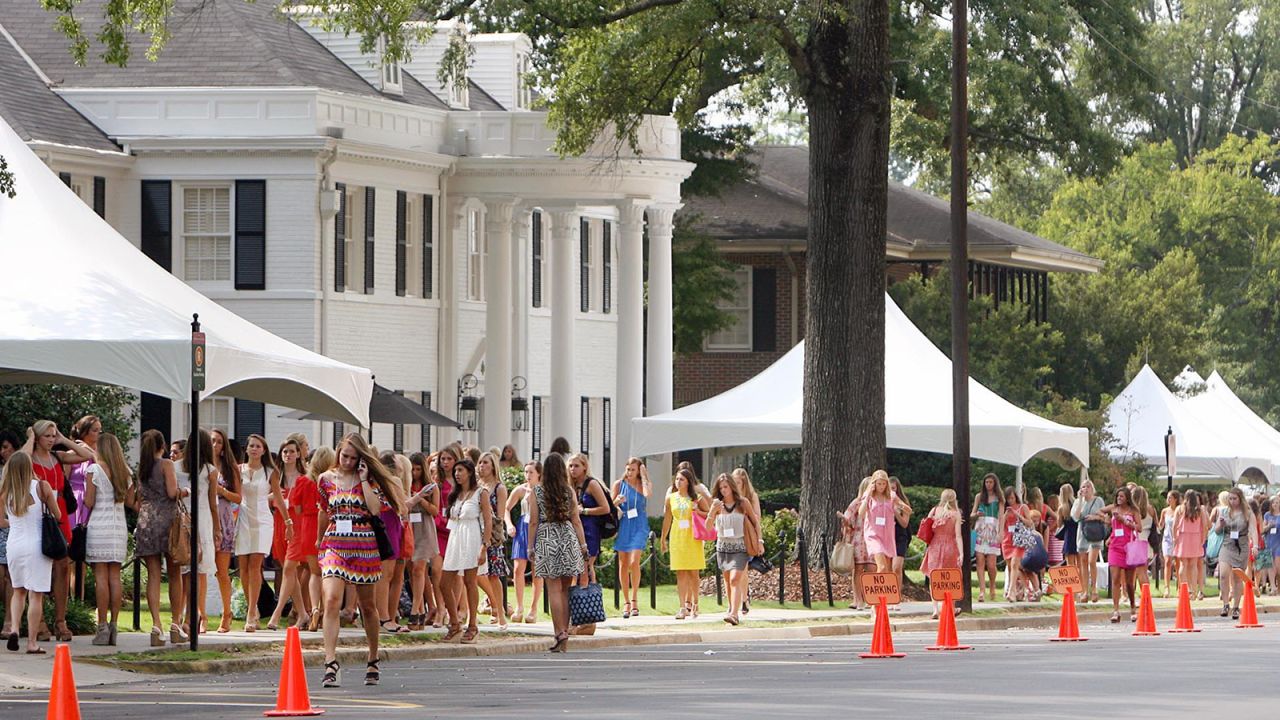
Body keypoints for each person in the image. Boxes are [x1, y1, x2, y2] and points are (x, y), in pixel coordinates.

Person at [317, 433, 402, 687]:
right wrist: (317, 541)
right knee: (331, 600)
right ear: (338, 452)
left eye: (354, 458)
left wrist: (364, 479)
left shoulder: (370, 480)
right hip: (335, 543)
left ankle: (373, 658)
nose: (348, 461)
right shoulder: (325, 480)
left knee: (367, 607)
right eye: (344, 456)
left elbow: (376, 509)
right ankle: (330, 662)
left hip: (364, 544)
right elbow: (323, 511)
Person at [22, 421, 93, 641]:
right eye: (48, 436)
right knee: (39, 566)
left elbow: (85, 455)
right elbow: (21, 459)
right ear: (38, 437)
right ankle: (39, 621)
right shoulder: (29, 458)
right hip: (36, 513)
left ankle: (60, 621)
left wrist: (64, 439)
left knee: (62, 566)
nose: (51, 439)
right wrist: (31, 439)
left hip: (59, 513)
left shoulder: (58, 457)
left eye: (54, 435)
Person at [528, 455, 588, 652]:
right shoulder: (568, 491)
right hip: (568, 535)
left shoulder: (537, 492)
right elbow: (576, 520)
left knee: (553, 589)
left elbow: (534, 521)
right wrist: (583, 545)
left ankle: (559, 632)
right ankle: (565, 634)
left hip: (547, 536)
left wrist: (530, 546)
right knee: (566, 588)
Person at [1, 452, 58, 654]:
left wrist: (16, 523)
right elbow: (57, 514)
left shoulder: (5, 492)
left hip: (14, 544)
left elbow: (1, 522)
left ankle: (14, 628)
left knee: (18, 591)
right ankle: (32, 642)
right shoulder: (41, 487)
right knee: (36, 595)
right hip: (37, 545)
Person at [133, 429, 185, 646]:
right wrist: (186, 491)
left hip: (146, 521)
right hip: (167, 522)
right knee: (175, 574)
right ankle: (175, 623)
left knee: (153, 574)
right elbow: (173, 492)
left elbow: (135, 497)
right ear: (162, 446)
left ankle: (156, 625)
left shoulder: (141, 468)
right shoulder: (166, 464)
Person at [267, 439, 322, 631]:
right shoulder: (276, 475)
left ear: (298, 454)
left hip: (298, 524)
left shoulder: (305, 476)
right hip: (279, 521)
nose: (287, 455)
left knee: (290, 567)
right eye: (284, 451)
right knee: (287, 570)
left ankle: (277, 612)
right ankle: (303, 613)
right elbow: (264, 497)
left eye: (291, 451)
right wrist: (274, 497)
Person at [84, 433, 131, 645]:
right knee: (115, 576)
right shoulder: (126, 473)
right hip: (118, 526)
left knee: (100, 577)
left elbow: (89, 501)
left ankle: (101, 625)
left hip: (99, 525)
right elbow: (129, 501)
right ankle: (114, 625)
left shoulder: (94, 470)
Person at [237, 434, 286, 632]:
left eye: (258, 446)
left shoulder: (270, 472)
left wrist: (288, 520)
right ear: (247, 449)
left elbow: (279, 498)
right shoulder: (238, 469)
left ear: (264, 450)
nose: (255, 449)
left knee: (255, 565)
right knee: (243, 566)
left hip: (263, 519)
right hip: (243, 517)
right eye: (252, 446)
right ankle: (254, 608)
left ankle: (250, 613)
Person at [175, 429, 220, 636]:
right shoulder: (210, 470)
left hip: (181, 518)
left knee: (182, 571)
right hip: (201, 519)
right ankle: (191, 617)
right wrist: (217, 529)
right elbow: (213, 503)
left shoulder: (175, 467)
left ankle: (179, 616)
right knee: (199, 571)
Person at [440, 458, 491, 644]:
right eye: (455, 471)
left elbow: (487, 520)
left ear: (469, 472)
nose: (457, 474)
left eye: (460, 470)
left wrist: (484, 546)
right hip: (456, 538)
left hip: (472, 538)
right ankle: (454, 623)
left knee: (470, 582)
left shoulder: (480, 493)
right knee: (444, 583)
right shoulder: (455, 495)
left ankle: (473, 624)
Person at [704, 473, 756, 626]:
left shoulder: (742, 503)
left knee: (735, 579)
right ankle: (731, 608)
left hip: (739, 546)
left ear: (732, 487)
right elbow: (708, 528)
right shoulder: (717, 505)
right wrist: (712, 511)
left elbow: (755, 522)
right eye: (721, 488)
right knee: (727, 580)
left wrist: (759, 541)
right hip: (723, 547)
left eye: (726, 487)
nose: (723, 490)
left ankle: (734, 614)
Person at [662, 467, 708, 619]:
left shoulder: (697, 498)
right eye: (676, 479)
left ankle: (695, 603)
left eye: (681, 479)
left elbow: (709, 515)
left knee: (693, 572)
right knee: (680, 572)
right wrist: (663, 538)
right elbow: (668, 518)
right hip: (678, 536)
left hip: (692, 537)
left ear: (688, 482)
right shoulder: (671, 498)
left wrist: (697, 511)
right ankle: (682, 607)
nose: (678, 482)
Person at [209, 428, 241, 633]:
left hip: (224, 517)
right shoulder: (201, 467)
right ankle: (200, 614)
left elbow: (238, 498)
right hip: (205, 516)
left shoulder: (230, 469)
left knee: (222, 570)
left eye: (218, 442)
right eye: (211, 441)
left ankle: (227, 612)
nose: (214, 445)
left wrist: (222, 491)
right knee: (202, 570)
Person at [611, 458, 650, 619]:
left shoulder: (643, 485)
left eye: (633, 470)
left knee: (634, 561)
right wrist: (616, 502)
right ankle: (626, 601)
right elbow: (610, 506)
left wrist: (644, 475)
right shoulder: (619, 485)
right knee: (623, 562)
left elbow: (648, 494)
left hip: (639, 524)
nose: (629, 473)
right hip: (625, 523)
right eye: (628, 469)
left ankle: (634, 598)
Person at [407, 452, 441, 629]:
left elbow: (436, 511)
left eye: (418, 469)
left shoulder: (431, 487)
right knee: (411, 570)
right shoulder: (406, 484)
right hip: (409, 527)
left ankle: (415, 610)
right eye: (412, 469)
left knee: (420, 568)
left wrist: (421, 498)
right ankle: (420, 607)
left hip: (424, 528)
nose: (415, 473)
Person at [475, 451, 509, 629]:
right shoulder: (476, 486)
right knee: (475, 574)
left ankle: (500, 612)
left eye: (486, 462)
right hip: (475, 532)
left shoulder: (499, 488)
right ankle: (492, 604)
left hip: (492, 535)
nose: (482, 466)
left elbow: (500, 516)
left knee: (494, 575)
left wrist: (492, 535)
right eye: (480, 462)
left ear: (493, 465)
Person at [507, 460, 544, 624]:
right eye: (526, 472)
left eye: (531, 472)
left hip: (538, 528)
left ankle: (534, 608)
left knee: (537, 570)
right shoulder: (520, 490)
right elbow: (506, 508)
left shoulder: (543, 490)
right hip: (522, 527)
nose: (528, 476)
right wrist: (509, 524)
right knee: (517, 568)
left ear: (539, 474)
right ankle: (519, 606)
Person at [1214, 486, 1257, 620]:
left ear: (1240, 499)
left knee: (1237, 577)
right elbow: (1216, 530)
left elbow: (1254, 530)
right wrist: (1220, 524)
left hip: (1242, 546)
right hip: (1227, 544)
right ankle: (1226, 604)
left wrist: (1255, 545)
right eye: (1230, 499)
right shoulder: (1224, 511)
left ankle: (1236, 607)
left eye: (1234, 498)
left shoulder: (1247, 513)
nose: (1232, 501)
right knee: (1224, 575)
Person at [921, 489, 963, 618]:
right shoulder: (956, 514)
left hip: (935, 546)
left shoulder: (934, 511)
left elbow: (926, 526)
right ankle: (951, 607)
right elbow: (958, 536)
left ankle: (935, 609)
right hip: (950, 547)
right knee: (951, 578)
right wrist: (961, 553)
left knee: (934, 577)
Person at [568, 453, 609, 585]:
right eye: (570, 466)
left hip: (590, 530)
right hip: (574, 529)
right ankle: (576, 599)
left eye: (576, 466)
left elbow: (605, 508)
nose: (573, 469)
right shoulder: (570, 485)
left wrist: (584, 511)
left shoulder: (592, 484)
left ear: (584, 467)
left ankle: (587, 598)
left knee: (585, 566)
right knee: (575, 569)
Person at [838, 477, 874, 610]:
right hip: (859, 538)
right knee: (858, 569)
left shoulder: (875, 502)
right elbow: (849, 519)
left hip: (872, 539)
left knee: (871, 569)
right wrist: (845, 521)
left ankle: (869, 598)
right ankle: (857, 599)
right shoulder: (857, 502)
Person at [1106, 487, 1140, 623]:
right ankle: (1116, 610)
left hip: (1129, 547)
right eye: (1117, 496)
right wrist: (1110, 536)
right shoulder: (1114, 510)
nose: (1119, 498)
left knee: (1129, 583)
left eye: (1122, 496)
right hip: (1115, 547)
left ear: (1127, 498)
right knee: (1115, 578)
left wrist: (1125, 521)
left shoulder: (1133, 511)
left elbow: (1139, 527)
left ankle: (1132, 607)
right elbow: (1114, 527)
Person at [730, 468, 762, 615]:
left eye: (738, 482)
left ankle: (743, 599)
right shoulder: (729, 497)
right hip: (732, 537)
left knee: (742, 570)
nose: (735, 485)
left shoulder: (751, 496)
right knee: (735, 571)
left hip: (746, 536)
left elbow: (757, 518)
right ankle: (740, 599)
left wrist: (759, 540)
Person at [1072, 479, 1106, 603]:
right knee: (1083, 562)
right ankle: (1084, 591)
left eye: (1088, 487)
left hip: (1095, 533)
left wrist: (1095, 517)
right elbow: (1075, 517)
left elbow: (1105, 517)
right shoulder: (1077, 502)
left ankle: (1094, 589)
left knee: (1092, 561)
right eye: (1083, 487)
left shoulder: (1098, 501)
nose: (1085, 489)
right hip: (1083, 533)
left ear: (1092, 488)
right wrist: (1080, 500)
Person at [970, 473, 1004, 603]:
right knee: (979, 560)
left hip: (993, 529)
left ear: (995, 483)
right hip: (981, 528)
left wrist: (1001, 532)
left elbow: (1001, 516)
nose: (988, 484)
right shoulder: (979, 497)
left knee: (991, 564)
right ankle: (982, 590)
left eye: (991, 482)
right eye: (986, 482)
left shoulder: (999, 499)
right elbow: (972, 513)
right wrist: (976, 514)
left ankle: (992, 585)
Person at [858, 470, 897, 574]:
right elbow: (861, 513)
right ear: (874, 483)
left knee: (888, 570)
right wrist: (868, 495)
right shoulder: (869, 496)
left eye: (884, 484)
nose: (881, 486)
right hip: (873, 534)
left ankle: (884, 589)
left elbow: (903, 507)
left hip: (887, 535)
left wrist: (903, 508)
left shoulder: (890, 496)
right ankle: (877, 589)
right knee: (882, 567)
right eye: (879, 483)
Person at [1173, 489, 1209, 600]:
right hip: (1196, 537)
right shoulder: (1200, 509)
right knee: (1194, 565)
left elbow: (1174, 525)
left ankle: (1183, 590)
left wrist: (1175, 538)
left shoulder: (1180, 509)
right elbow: (1205, 525)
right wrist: (1203, 538)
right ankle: (1193, 591)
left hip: (1183, 537)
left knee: (1183, 564)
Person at [0, 430, 18, 637]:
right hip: (2, 524)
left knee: (11, 577)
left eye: (6, 446)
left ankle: (9, 621)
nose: (3, 451)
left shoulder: (21, 471)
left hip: (14, 525)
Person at [1000, 486, 1030, 602]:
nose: (1010, 501)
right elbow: (1001, 526)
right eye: (1008, 499)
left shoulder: (1023, 507)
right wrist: (1005, 516)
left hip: (1018, 539)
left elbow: (1029, 523)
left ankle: (1011, 591)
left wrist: (1017, 515)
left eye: (1012, 498)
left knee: (1014, 564)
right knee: (1010, 567)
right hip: (1007, 540)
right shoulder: (1004, 509)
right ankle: (1020, 589)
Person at [888, 476, 913, 586]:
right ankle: (889, 595)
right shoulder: (883, 502)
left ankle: (897, 596)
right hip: (887, 537)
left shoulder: (903, 503)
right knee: (887, 569)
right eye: (889, 488)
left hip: (900, 537)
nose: (891, 491)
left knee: (896, 567)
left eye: (893, 488)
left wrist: (895, 511)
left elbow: (904, 523)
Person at [1160, 490, 1181, 597]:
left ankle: (1179, 587)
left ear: (1175, 499)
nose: (1168, 500)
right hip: (1167, 538)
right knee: (1167, 561)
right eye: (1167, 498)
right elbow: (1161, 524)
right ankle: (1166, 587)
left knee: (1178, 563)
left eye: (1170, 497)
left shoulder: (1180, 510)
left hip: (1177, 538)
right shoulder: (1164, 511)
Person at [1262, 495, 1280, 596]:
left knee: (1277, 567)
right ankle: (1273, 587)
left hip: (1279, 542)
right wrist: (1268, 526)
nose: (1275, 504)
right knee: (1270, 565)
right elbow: (1262, 529)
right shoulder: (1267, 515)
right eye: (1273, 502)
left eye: (1277, 502)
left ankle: (1277, 585)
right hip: (1269, 542)